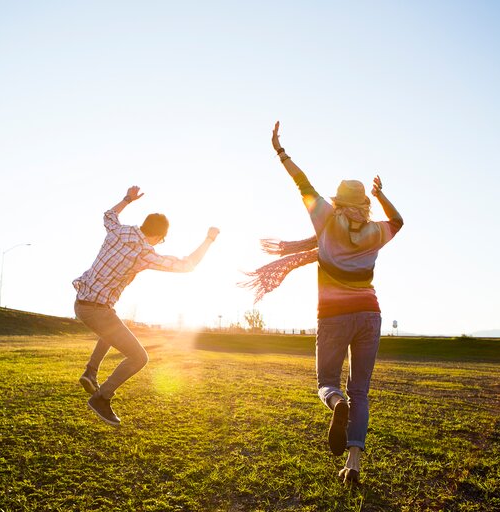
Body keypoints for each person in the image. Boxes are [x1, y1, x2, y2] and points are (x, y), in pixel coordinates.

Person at [241, 122, 403, 485]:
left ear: (337, 200)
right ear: (363, 202)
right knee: (361, 390)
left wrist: (280, 151)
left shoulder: (326, 218)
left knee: (327, 382)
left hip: (333, 316)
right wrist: (379, 196)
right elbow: (398, 221)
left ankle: (336, 404)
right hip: (370, 314)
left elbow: (302, 183)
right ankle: (354, 464)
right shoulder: (377, 230)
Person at [73, 186, 219, 427]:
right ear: (158, 237)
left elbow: (108, 215)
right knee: (139, 357)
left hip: (81, 303)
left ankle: (91, 371)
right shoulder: (144, 252)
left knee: (114, 328)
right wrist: (209, 240)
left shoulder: (119, 231)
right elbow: (186, 265)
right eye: (161, 241)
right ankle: (102, 397)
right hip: (97, 310)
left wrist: (127, 199)